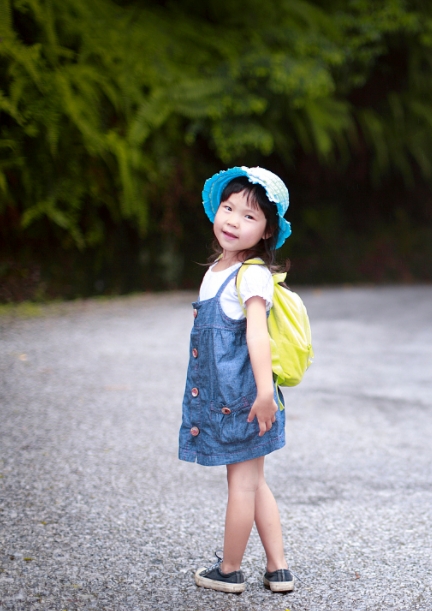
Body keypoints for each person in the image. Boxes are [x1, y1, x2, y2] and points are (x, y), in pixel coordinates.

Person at [178, 167, 295, 594]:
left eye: (249, 216)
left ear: (267, 231)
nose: (233, 220)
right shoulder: (217, 269)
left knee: (242, 482)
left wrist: (265, 393)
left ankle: (229, 570)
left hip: (244, 398)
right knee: (254, 478)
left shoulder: (253, 275)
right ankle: (278, 567)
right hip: (232, 396)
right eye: (228, 208)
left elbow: (257, 335)